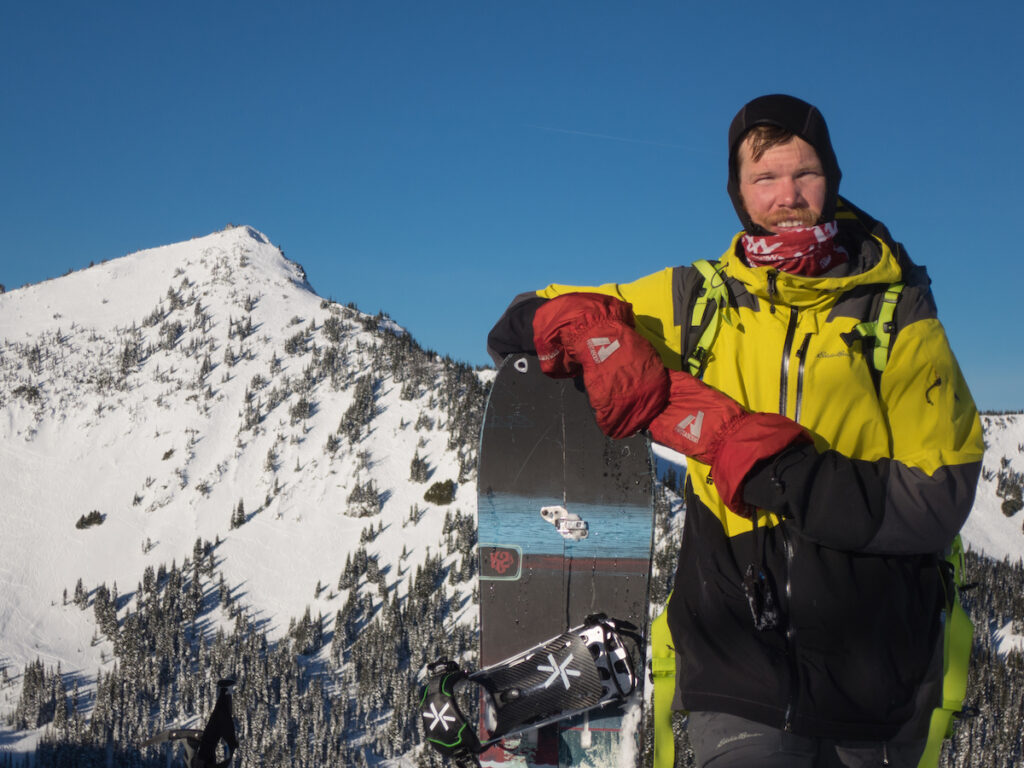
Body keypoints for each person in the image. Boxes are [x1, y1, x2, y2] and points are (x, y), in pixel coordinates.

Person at [487, 94, 984, 767]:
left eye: (804, 173)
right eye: (764, 178)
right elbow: (522, 315)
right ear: (740, 194)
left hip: (876, 667)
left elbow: (936, 499)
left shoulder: (896, 312)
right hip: (735, 657)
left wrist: (777, 470)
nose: (787, 195)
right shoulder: (702, 299)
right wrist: (583, 327)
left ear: (832, 181)